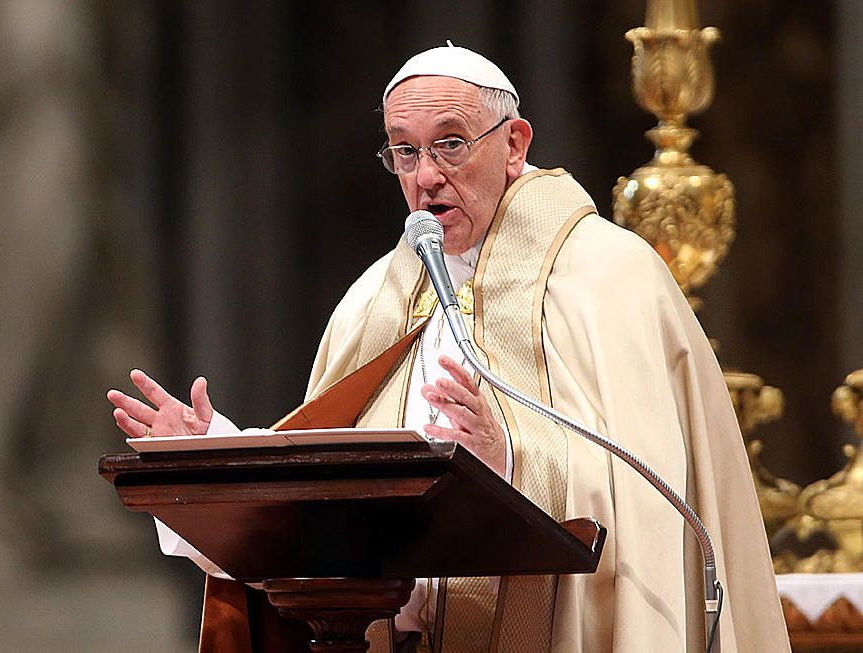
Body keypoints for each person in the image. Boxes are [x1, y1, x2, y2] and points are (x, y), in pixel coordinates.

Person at [108, 43, 790, 653]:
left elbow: (653, 499)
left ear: (515, 143)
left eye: (451, 144)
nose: (425, 175)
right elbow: (326, 487)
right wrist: (220, 458)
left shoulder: (611, 275)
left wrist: (511, 462)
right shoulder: (375, 298)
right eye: (405, 151)